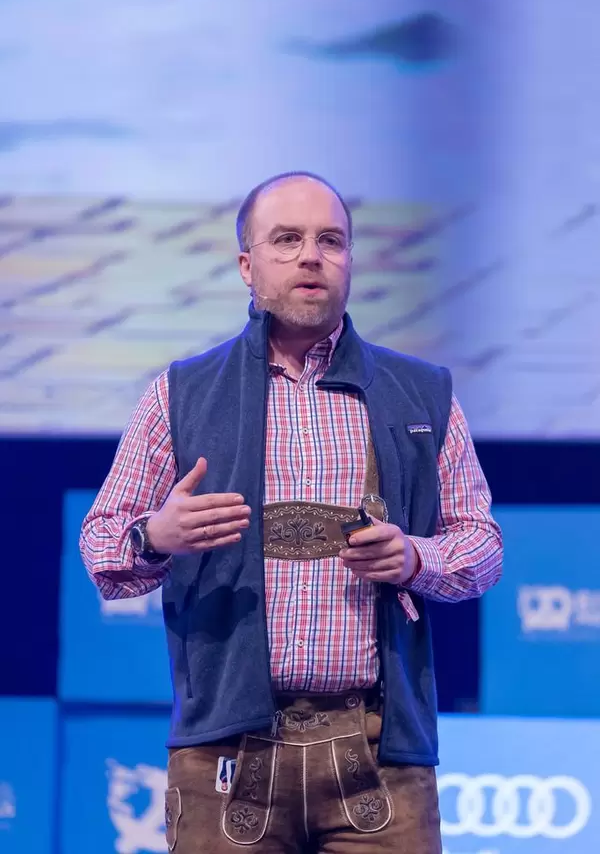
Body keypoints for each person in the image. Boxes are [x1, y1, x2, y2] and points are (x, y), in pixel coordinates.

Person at [80, 171, 503, 853]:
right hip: (227, 755)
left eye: (331, 240)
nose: (312, 255)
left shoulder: (422, 395)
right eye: (288, 240)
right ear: (248, 266)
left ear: (350, 262)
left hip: (379, 758)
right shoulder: (181, 395)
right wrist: (156, 535)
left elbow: (482, 547)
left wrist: (416, 557)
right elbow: (102, 546)